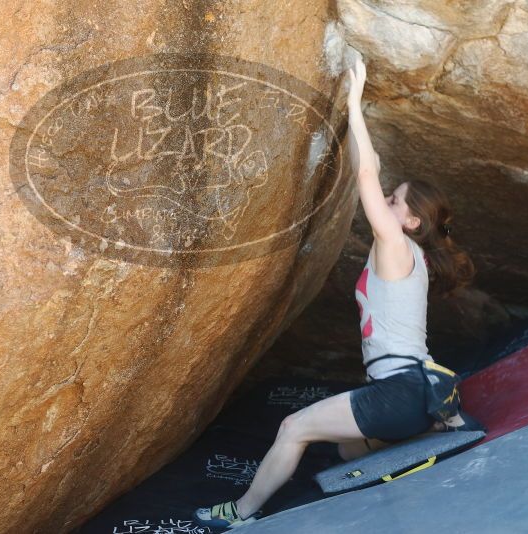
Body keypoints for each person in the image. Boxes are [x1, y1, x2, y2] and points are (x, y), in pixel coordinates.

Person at [193, 56, 477, 529]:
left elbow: (367, 173)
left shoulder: (397, 246)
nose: (385, 201)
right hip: (404, 395)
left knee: (294, 428)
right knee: (346, 449)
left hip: (398, 392)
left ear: (411, 221)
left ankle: (239, 513)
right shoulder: (415, 259)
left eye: (394, 200)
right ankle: (434, 420)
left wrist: (354, 101)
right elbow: (376, 176)